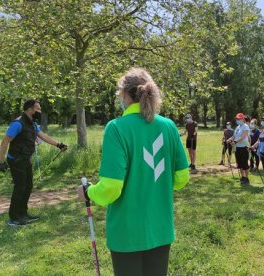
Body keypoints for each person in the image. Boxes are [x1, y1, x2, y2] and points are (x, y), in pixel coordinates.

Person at [76, 67, 190, 276]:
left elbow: (111, 188)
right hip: (161, 229)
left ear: (124, 94)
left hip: (126, 233)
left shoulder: (116, 128)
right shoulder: (169, 126)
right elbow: (182, 178)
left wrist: (89, 192)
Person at [0, 99, 67, 226]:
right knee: (20, 187)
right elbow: (5, 142)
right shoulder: (18, 124)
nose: (39, 111)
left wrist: (58, 144)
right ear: (29, 109)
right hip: (16, 160)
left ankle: (23, 214)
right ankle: (14, 218)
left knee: (28, 186)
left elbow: (42, 136)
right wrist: (1, 162)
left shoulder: (32, 123)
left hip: (25, 159)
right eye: (37, 109)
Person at [227, 113, 250, 184]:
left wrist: (235, 141)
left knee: (244, 163)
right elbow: (234, 136)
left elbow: (243, 136)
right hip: (238, 148)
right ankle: (242, 177)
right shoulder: (237, 127)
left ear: (243, 119)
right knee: (239, 163)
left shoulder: (245, 126)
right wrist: (230, 139)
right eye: (237, 119)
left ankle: (246, 178)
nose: (237, 120)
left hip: (244, 147)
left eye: (239, 119)